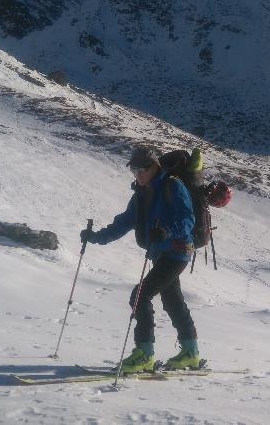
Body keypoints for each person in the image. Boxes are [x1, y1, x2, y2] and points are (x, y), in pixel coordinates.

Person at [80, 146, 200, 373]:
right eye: (135, 170)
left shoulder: (173, 186)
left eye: (143, 169)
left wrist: (167, 231)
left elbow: (187, 219)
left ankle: (145, 354)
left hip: (177, 251)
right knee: (172, 301)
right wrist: (95, 237)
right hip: (161, 254)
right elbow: (123, 223)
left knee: (140, 294)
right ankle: (191, 352)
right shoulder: (141, 195)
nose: (139, 174)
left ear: (155, 166)